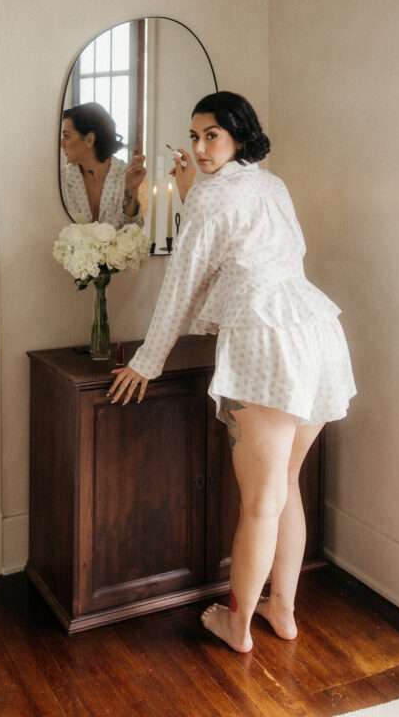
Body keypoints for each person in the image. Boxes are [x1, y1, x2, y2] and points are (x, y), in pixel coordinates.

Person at [108, 90, 355, 653]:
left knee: (261, 501)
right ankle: (283, 612)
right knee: (286, 487)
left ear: (238, 135)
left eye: (211, 135)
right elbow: (262, 251)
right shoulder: (271, 183)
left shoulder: (210, 199)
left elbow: (182, 283)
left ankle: (237, 625)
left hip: (267, 340)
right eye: (194, 136)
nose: (198, 147)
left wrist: (147, 362)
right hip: (316, 327)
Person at [60, 102, 147, 229]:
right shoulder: (62, 178)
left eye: (66, 136)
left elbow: (132, 232)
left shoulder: (126, 174)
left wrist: (131, 189)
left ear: (89, 139)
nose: (62, 144)